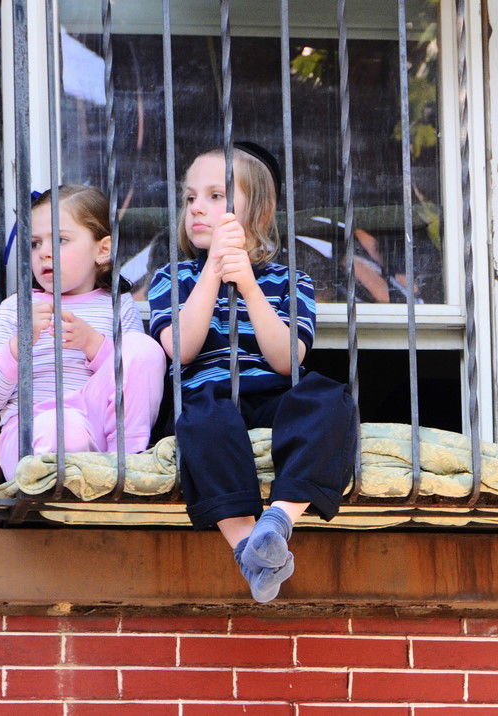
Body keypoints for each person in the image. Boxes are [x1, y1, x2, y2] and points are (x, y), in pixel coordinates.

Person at [147, 144, 357, 603]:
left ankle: (279, 519)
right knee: (201, 423)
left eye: (216, 195)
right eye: (189, 198)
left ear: (258, 214)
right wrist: (212, 274)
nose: (197, 207)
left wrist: (246, 283)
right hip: (209, 397)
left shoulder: (292, 281)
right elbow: (180, 350)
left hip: (274, 395)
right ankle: (246, 546)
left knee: (329, 397)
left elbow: (288, 359)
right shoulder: (172, 277)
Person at [0, 185, 166, 480]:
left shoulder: (118, 306)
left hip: (101, 434)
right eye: (35, 243)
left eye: (61, 240)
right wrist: (19, 346)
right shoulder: (17, 308)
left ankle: (130, 465)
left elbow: (138, 383)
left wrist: (94, 344)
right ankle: (59, 481)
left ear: (102, 250)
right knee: (61, 426)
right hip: (33, 431)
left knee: (144, 348)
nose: (44, 253)